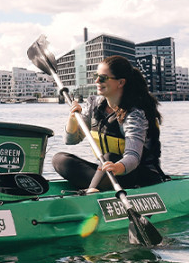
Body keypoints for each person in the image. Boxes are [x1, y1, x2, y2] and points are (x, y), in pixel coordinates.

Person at [52, 55, 166, 192]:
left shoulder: (134, 114)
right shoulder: (94, 104)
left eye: (103, 78)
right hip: (108, 172)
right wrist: (72, 118)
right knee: (60, 160)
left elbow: (133, 157)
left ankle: (92, 192)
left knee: (109, 157)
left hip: (136, 175)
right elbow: (70, 141)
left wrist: (117, 167)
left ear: (121, 82)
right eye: (96, 76)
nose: (97, 81)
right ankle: (98, 187)